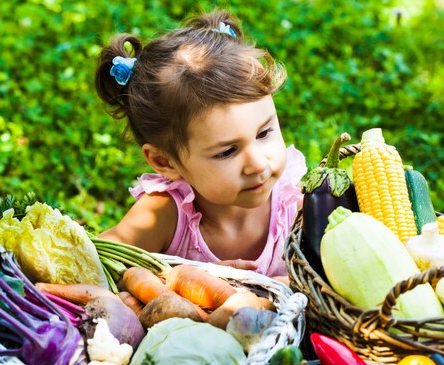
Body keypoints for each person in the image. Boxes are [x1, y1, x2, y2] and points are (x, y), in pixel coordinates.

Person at [94, 10, 307, 281]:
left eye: (264, 133)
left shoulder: (293, 204)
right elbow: (95, 262)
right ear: (165, 161)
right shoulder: (164, 216)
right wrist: (179, 279)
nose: (258, 163)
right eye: (227, 151)